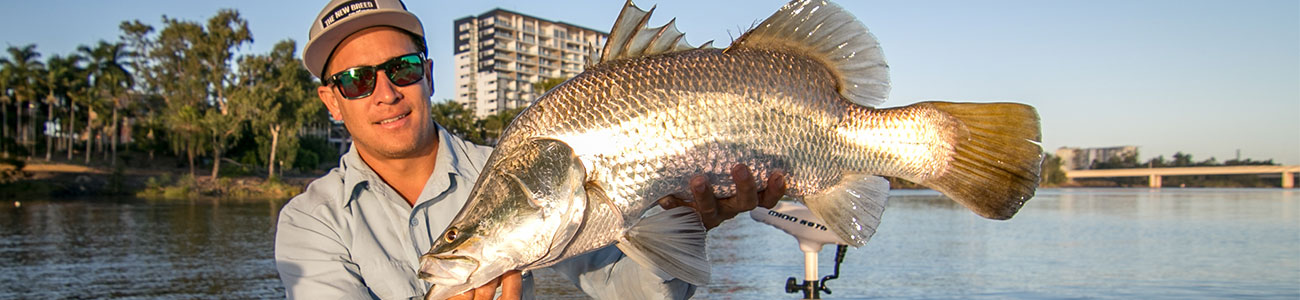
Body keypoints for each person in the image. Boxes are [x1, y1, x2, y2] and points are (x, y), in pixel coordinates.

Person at [274, 0, 786, 299]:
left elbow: (628, 289)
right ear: (332, 102)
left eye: (402, 69)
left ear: (428, 75)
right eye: (357, 81)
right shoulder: (309, 222)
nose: (385, 93)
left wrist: (686, 222)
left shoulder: (503, 166)